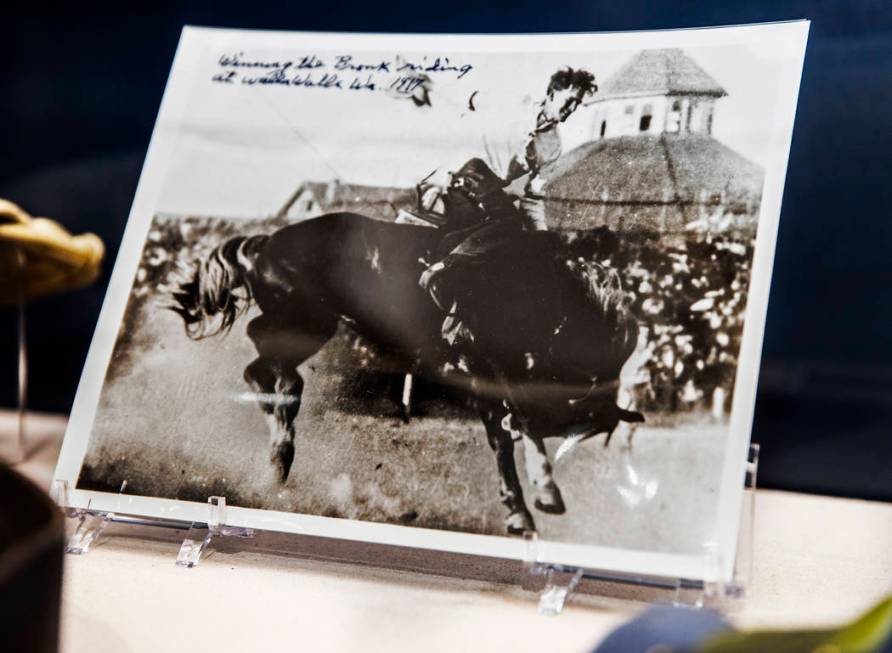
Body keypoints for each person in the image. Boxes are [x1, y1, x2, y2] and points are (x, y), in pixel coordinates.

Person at [418, 67, 597, 340]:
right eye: (570, 100)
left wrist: (541, 236)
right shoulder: (514, 103)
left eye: (577, 104)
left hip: (486, 194)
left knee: (515, 247)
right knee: (509, 223)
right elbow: (467, 96)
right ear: (552, 92)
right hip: (465, 172)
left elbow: (534, 195)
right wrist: (427, 84)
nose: (572, 108)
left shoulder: (552, 146)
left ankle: (458, 320)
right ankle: (441, 268)